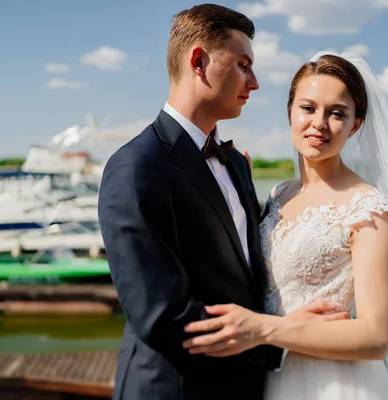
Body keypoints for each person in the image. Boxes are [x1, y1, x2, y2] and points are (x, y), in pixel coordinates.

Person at [97, 6, 346, 400]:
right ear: (199, 61)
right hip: (175, 388)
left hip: (245, 387)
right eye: (243, 64)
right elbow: (161, 316)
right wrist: (280, 336)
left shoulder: (235, 165)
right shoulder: (135, 168)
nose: (255, 82)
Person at [183, 52, 388, 399]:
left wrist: (262, 328)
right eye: (308, 108)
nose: (319, 123)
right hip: (269, 376)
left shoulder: (367, 208)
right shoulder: (279, 194)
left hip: (334, 383)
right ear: (290, 112)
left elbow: (375, 338)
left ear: (355, 125)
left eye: (337, 113)